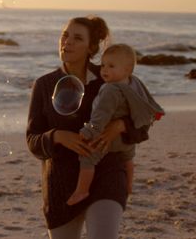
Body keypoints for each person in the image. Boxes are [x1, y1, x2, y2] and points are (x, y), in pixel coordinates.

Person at [26, 16, 150, 239]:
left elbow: (144, 122)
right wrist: (58, 136)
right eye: (65, 35)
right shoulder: (44, 85)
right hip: (61, 184)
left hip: (108, 173)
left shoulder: (110, 80)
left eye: (77, 38)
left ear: (91, 47)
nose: (68, 42)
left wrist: (119, 126)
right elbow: (33, 141)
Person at [66, 44, 164, 206]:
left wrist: (88, 132)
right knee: (128, 158)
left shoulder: (110, 90)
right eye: (103, 65)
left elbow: (100, 116)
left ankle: (82, 190)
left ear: (127, 70)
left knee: (88, 157)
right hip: (127, 140)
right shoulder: (134, 83)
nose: (104, 70)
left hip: (109, 138)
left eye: (111, 66)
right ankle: (129, 185)